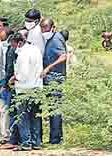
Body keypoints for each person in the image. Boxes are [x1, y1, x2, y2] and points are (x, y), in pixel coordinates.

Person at [9, 32, 42, 151]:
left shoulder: (23, 54)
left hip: (24, 89)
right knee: (35, 117)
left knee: (23, 118)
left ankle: (26, 143)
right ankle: (36, 142)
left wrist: (14, 78)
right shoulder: (35, 49)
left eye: (13, 45)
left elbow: (23, 74)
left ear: (20, 43)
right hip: (37, 87)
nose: (13, 48)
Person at [41, 17, 67, 145]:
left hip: (55, 78)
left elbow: (63, 56)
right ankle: (54, 137)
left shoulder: (56, 39)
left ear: (53, 27)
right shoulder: (48, 39)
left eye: (46, 28)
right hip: (49, 78)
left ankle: (56, 139)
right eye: (42, 28)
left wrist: (48, 68)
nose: (44, 30)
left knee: (55, 108)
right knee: (52, 108)